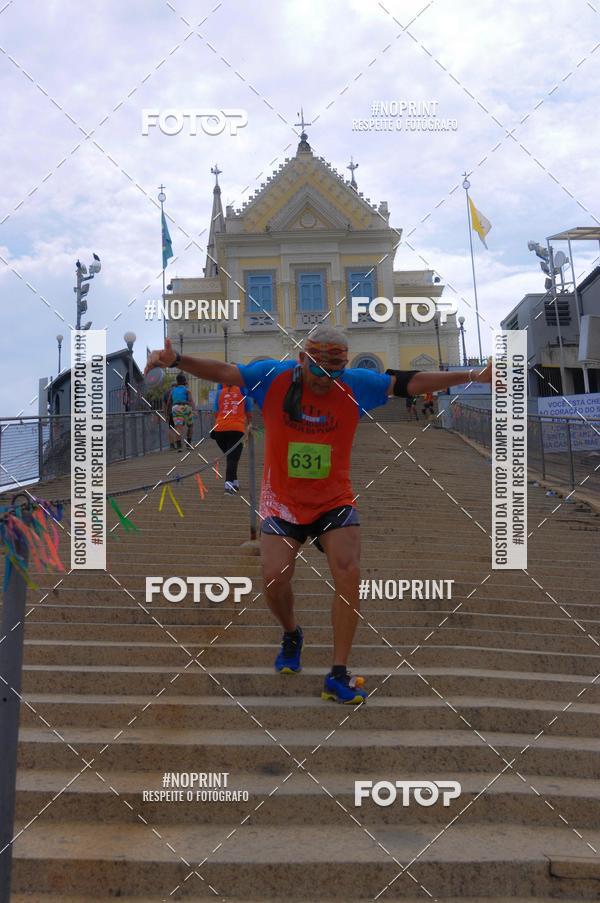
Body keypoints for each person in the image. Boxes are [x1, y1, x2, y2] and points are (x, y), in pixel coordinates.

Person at [146, 327, 492, 703]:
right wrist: (178, 360)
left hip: (333, 499)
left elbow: (411, 380)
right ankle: (292, 633)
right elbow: (225, 372)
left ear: (343, 368)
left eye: (334, 373)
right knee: (275, 578)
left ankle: (338, 673)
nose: (326, 381)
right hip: (282, 500)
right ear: (301, 361)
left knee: (348, 572)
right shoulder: (273, 377)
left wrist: (474, 375)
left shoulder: (355, 383)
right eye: (317, 372)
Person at [211, 383, 252, 494]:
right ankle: (228, 486)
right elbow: (249, 412)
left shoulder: (219, 393)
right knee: (232, 459)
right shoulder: (244, 392)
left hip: (219, 430)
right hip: (236, 429)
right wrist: (249, 424)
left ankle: (234, 482)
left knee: (231, 458)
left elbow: (215, 412)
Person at [169, 372, 194, 451]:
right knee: (190, 426)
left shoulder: (173, 391)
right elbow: (190, 401)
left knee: (178, 427)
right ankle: (188, 444)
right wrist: (194, 410)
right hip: (185, 406)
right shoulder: (187, 390)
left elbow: (169, 402)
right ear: (185, 381)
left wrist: (167, 413)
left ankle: (179, 446)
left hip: (175, 407)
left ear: (177, 382)